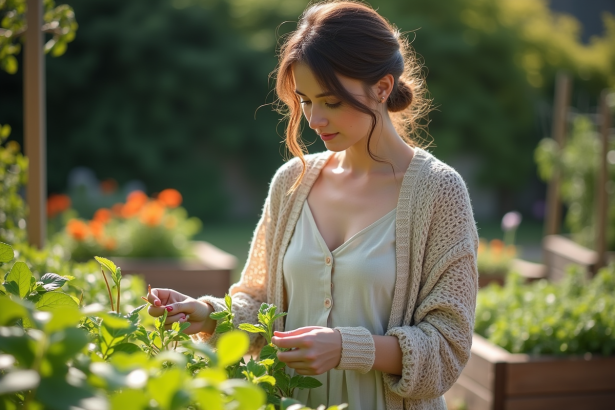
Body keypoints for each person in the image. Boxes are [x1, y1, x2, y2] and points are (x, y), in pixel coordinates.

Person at [147, 1, 479, 409]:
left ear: (382, 87)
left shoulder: (440, 192)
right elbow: (261, 302)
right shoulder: (292, 182)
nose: (314, 119)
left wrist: (346, 348)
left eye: (331, 101)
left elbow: (448, 347)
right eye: (305, 100)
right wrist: (209, 314)